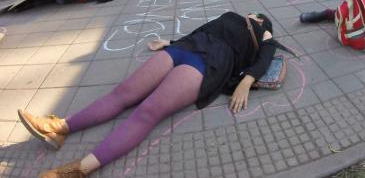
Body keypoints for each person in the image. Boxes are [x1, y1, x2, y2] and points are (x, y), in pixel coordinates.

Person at [18, 11, 281, 177]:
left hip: (210, 61)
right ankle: (60, 127)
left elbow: (266, 57)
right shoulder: (233, 16)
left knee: (148, 111)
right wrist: (171, 43)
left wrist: (246, 81)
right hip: (187, 47)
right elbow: (203, 29)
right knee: (124, 93)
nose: (253, 15)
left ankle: (78, 170)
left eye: (257, 16)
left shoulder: (263, 31)